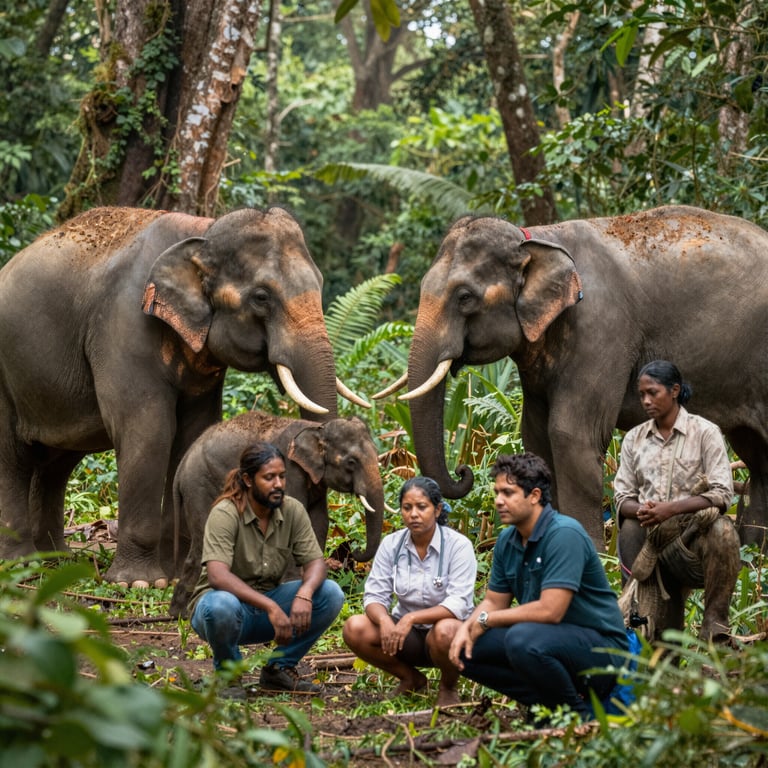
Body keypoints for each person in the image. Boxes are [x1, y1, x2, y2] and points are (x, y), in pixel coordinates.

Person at [448, 452, 628, 721]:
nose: (499, 501)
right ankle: (546, 706)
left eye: (508, 493)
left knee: (522, 640)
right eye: (497, 492)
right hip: (549, 641)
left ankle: (579, 718)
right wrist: (467, 628)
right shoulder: (508, 540)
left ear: (533, 495)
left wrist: (487, 620)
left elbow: (550, 611)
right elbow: (494, 601)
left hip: (600, 652)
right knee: (465, 644)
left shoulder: (564, 534)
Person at [188, 441, 344, 694]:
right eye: (269, 478)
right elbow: (217, 576)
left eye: (282, 476)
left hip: (264, 610)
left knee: (330, 593)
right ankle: (229, 675)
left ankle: (278, 670)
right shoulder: (226, 513)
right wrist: (271, 606)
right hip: (220, 612)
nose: (279, 484)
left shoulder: (291, 510)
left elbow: (315, 562)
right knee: (222, 605)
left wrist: (304, 594)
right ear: (249, 480)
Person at [613, 360, 741, 642]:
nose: (646, 400)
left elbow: (722, 493)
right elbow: (622, 497)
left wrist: (671, 510)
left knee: (723, 530)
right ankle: (640, 625)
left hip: (694, 541)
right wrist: (645, 511)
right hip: (651, 542)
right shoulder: (635, 438)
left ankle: (716, 628)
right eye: (642, 394)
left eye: (653, 392)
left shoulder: (705, 432)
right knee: (631, 527)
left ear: (674, 390)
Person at [343, 476, 477, 707]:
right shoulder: (392, 545)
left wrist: (411, 618)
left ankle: (448, 687)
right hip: (408, 637)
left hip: (449, 635)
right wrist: (384, 620)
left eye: (421, 507)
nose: (413, 514)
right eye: (407, 508)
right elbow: (374, 595)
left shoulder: (459, 546)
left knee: (445, 631)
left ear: (437, 510)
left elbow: (459, 604)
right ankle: (410, 678)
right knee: (355, 628)